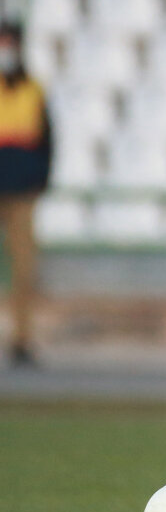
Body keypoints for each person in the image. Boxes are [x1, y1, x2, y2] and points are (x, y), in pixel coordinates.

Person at [0, 20, 52, 367]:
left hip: (21, 193)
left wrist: (39, 180)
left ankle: (22, 338)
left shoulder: (34, 90)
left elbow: (47, 141)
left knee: (23, 270)